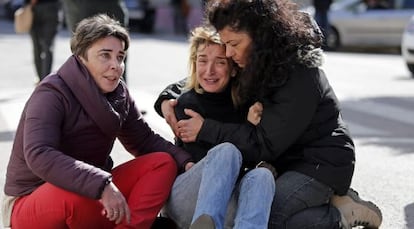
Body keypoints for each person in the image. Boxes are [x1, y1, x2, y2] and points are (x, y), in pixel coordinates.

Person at [155, 0, 384, 228]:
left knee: (264, 214)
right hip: (286, 160)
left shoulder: (298, 75)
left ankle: (339, 215)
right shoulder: (257, 58)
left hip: (318, 164)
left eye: (233, 44)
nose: (228, 52)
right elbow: (209, 76)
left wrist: (206, 129)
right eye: (225, 44)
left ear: (258, 35)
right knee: (251, 205)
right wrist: (167, 97)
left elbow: (263, 145)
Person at [1, 14, 194, 229]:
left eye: (120, 57)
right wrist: (101, 185)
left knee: (162, 162)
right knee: (73, 197)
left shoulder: (119, 94)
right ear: (81, 57)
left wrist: (186, 162)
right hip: (32, 198)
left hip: (92, 190)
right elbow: (39, 154)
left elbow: (144, 141)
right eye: (105, 55)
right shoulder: (51, 93)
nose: (116, 65)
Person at [155, 25, 275, 229]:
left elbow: (255, 149)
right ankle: (206, 222)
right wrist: (246, 129)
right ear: (194, 64)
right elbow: (214, 167)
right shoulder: (187, 104)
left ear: (234, 67)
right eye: (202, 61)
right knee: (226, 151)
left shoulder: (246, 104)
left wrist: (238, 130)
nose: (209, 71)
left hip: (226, 203)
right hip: (185, 199)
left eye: (220, 62)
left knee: (262, 176)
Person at [61, 0, 129, 82]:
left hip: (112, 5)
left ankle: (118, 91)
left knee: (117, 49)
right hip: (80, 5)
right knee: (82, 51)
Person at [26, 0, 60, 83]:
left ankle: (42, 79)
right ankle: (44, 79)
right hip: (48, 7)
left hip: (38, 7)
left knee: (38, 47)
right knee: (47, 47)